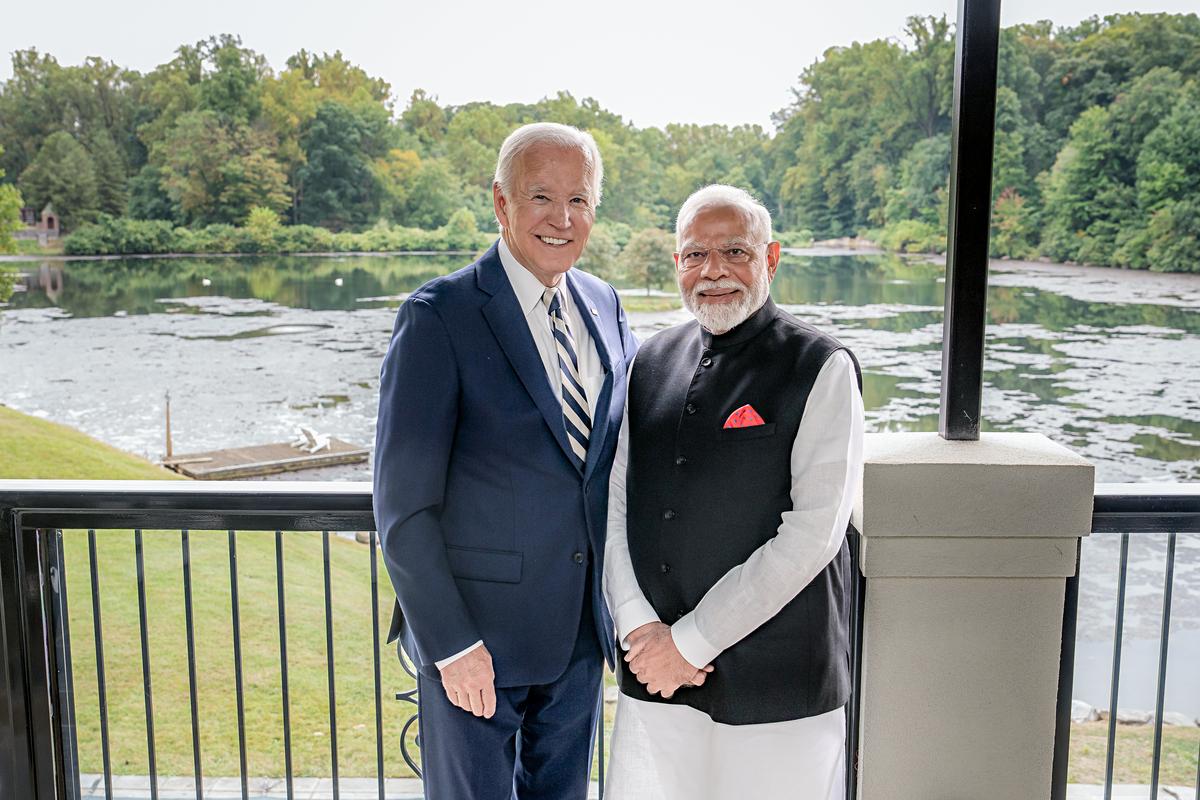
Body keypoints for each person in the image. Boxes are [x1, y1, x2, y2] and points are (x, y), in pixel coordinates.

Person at [373, 122, 636, 800]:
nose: (562, 218)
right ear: (501, 203)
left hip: (579, 640)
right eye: (541, 197)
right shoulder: (439, 316)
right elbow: (403, 508)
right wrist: (451, 645)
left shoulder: (605, 306)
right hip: (477, 646)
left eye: (578, 200)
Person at [603, 184, 864, 799]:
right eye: (695, 255)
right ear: (677, 265)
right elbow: (616, 501)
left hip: (778, 681)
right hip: (655, 673)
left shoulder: (822, 367)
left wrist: (689, 643)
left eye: (734, 252)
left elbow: (813, 535)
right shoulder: (648, 360)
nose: (713, 271)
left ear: (770, 259)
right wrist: (642, 630)